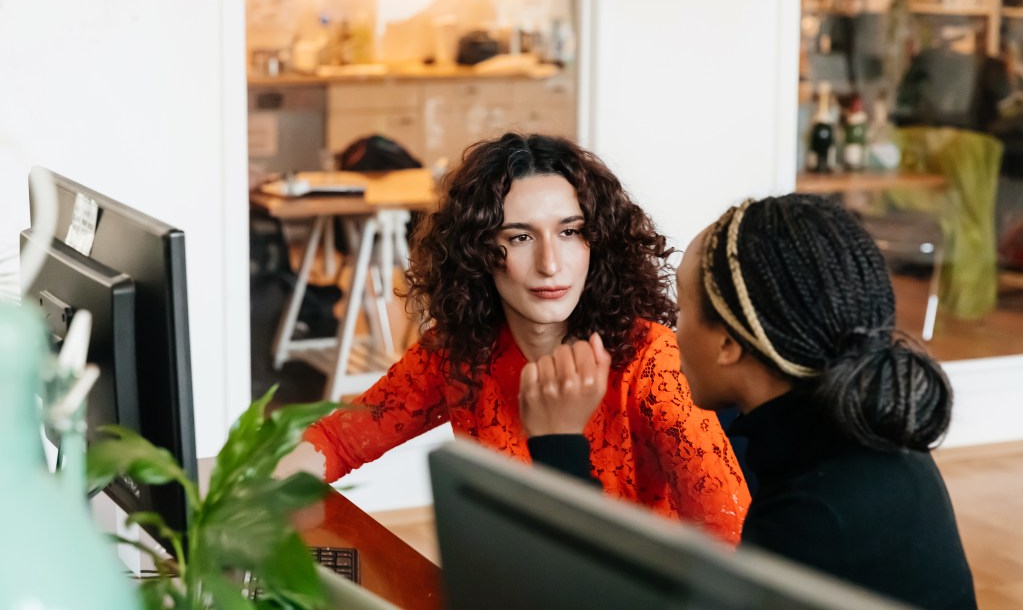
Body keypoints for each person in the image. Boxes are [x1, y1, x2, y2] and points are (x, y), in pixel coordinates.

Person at [284, 133, 750, 544]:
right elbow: (338, 441)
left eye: (570, 232)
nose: (551, 263)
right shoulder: (459, 353)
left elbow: (731, 542)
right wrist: (233, 507)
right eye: (521, 238)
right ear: (479, 251)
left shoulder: (650, 361)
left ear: (599, 242)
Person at [526, 193, 976, 607]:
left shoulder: (814, 517)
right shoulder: (865, 435)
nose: (672, 332)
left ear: (728, 344)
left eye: (681, 310)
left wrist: (559, 442)